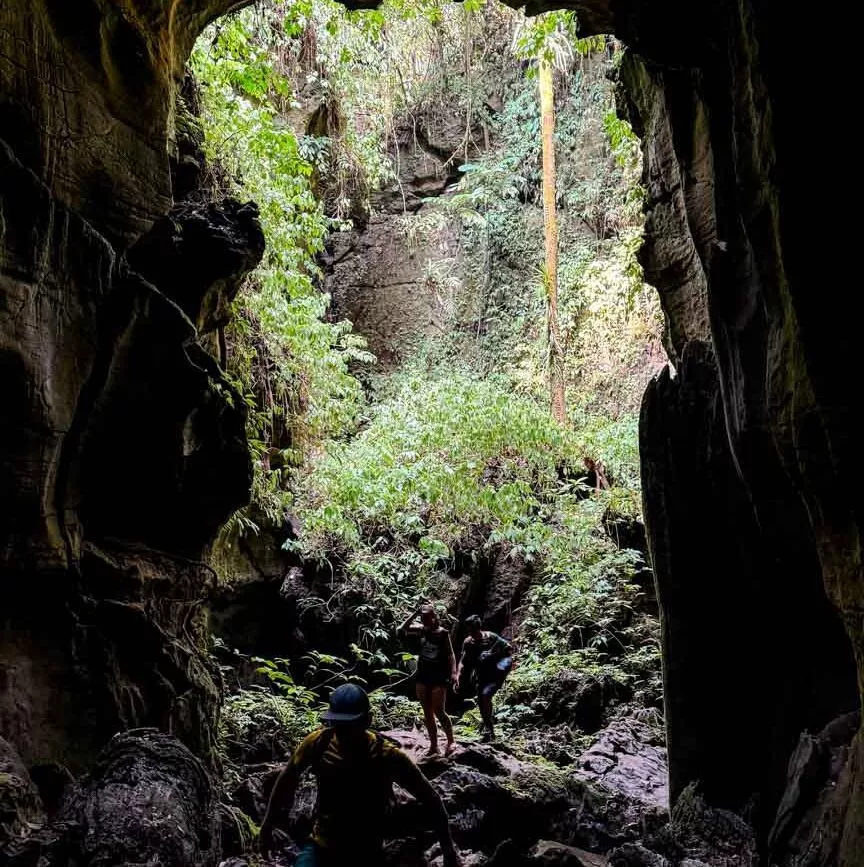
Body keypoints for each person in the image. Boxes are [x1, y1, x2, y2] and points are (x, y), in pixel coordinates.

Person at [259, 683, 461, 867]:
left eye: (350, 725)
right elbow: (286, 779)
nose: (344, 732)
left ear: (367, 720)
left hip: (366, 851)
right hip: (322, 845)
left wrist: (448, 849)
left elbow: (431, 799)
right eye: (338, 725)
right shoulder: (318, 742)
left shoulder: (386, 755)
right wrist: (267, 827)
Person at [398, 601, 458, 756]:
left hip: (439, 676)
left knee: (439, 711)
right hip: (423, 675)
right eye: (422, 617)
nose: (424, 620)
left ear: (433, 616)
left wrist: (454, 673)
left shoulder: (443, 633)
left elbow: (450, 654)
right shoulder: (420, 630)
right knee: (427, 712)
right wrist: (415, 614)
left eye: (426, 617)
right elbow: (401, 629)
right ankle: (434, 745)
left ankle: (451, 741)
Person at [455, 615, 512, 742]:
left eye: (473, 630)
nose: (471, 633)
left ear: (478, 628)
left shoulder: (491, 637)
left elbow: (508, 650)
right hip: (480, 676)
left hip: (494, 674)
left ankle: (489, 730)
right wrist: (458, 676)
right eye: (469, 630)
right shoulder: (468, 642)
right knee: (481, 702)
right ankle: (489, 728)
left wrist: (494, 657)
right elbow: (463, 661)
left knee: (486, 696)